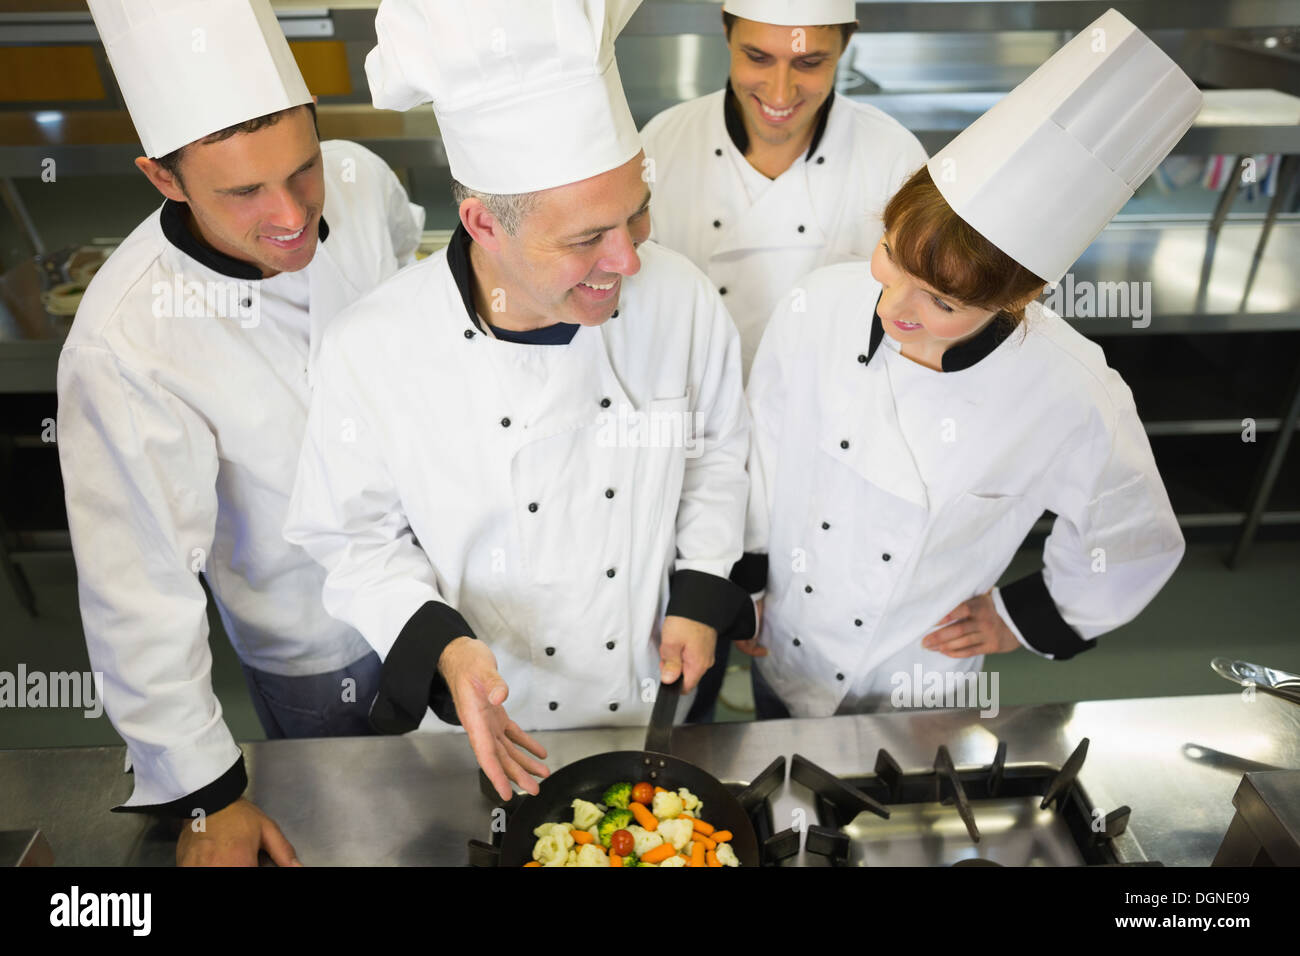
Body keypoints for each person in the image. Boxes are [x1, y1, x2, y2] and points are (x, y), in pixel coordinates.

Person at [284, 0, 754, 801]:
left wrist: (703, 586)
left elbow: (715, 452)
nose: (628, 260)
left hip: (652, 698)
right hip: (488, 726)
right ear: (481, 222)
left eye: (634, 214)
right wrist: (444, 649)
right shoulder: (374, 348)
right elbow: (353, 538)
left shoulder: (681, 298)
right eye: (584, 240)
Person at [738, 8, 1199, 718]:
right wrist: (750, 578)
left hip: (920, 678)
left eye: (943, 302)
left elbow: (1132, 534)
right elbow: (762, 448)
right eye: (890, 257)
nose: (895, 309)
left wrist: (1023, 618)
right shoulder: (817, 306)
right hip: (787, 644)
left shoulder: (1069, 391)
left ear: (1019, 299)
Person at [58, 0, 424, 864]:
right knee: (355, 838)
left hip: (443, 584)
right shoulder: (127, 343)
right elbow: (138, 588)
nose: (292, 213)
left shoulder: (362, 179)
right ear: (164, 179)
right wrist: (206, 795)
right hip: (313, 641)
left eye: (301, 169)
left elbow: (410, 274)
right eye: (243, 192)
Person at [639, 0, 926, 721]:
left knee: (793, 695)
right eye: (757, 57)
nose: (780, 90)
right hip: (686, 461)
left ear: (844, 50)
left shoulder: (892, 159)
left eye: (810, 62)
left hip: (821, 472)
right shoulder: (664, 146)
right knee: (677, 696)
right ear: (726, 39)